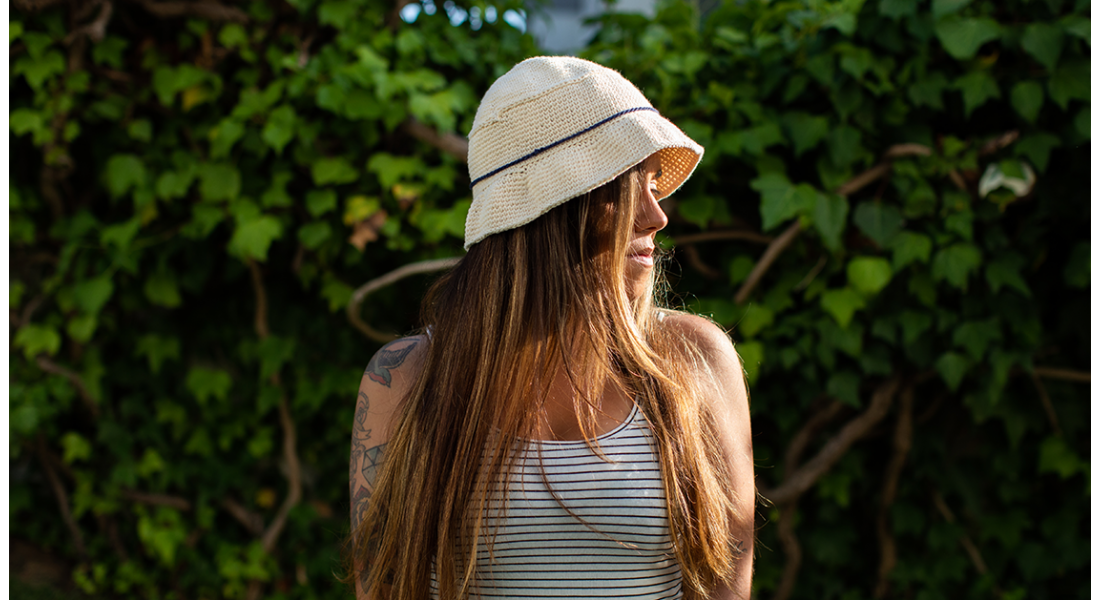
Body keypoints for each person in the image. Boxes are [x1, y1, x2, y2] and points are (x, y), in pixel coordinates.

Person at [347, 56, 754, 600]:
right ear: (552, 209)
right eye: (627, 187)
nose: (657, 216)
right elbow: (384, 590)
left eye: (655, 185)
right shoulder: (407, 378)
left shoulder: (695, 359)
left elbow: (725, 588)